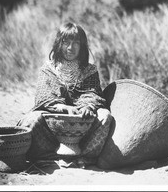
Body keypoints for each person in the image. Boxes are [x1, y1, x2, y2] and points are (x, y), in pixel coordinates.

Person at [17, 22, 112, 167]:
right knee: (31, 120)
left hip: (82, 129)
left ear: (82, 46)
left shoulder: (90, 70)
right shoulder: (48, 69)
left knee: (105, 116)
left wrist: (88, 106)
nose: (70, 47)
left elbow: (93, 94)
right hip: (52, 129)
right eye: (66, 42)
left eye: (76, 43)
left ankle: (84, 157)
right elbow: (44, 98)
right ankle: (49, 156)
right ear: (58, 43)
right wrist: (63, 107)